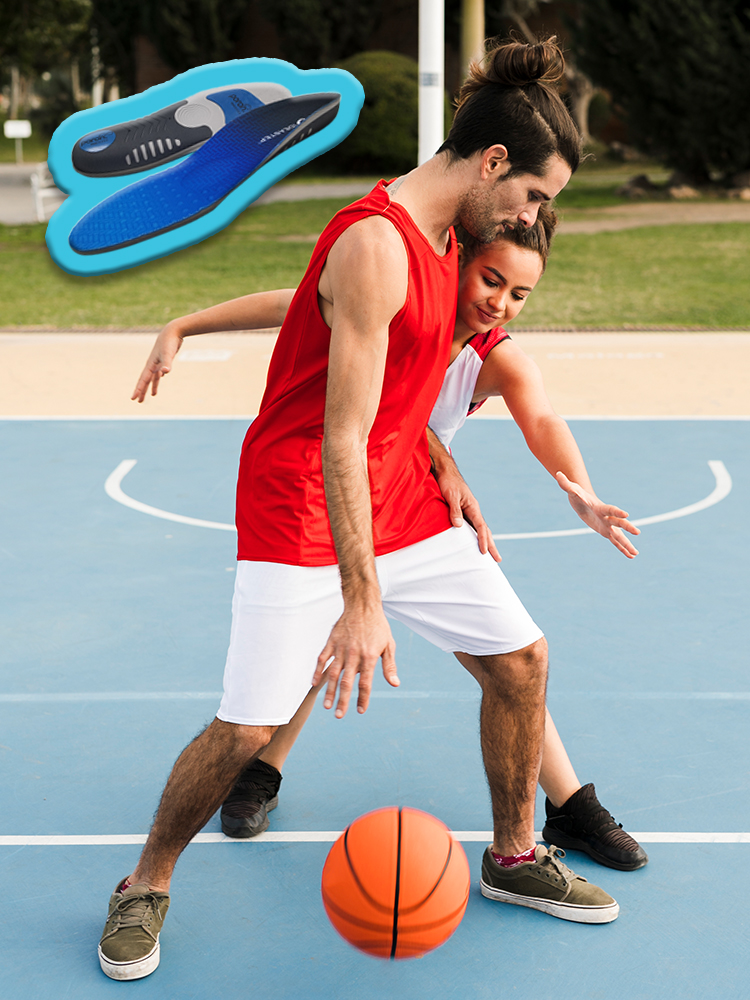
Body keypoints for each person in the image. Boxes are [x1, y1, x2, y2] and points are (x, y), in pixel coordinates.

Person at [99, 38, 618, 984]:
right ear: (494, 164)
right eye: (536, 197)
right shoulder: (376, 243)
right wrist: (362, 599)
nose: (537, 218)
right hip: (304, 498)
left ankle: (512, 855)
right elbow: (341, 437)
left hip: (403, 490)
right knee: (249, 729)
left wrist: (439, 454)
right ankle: (145, 883)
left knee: (522, 661)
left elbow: (400, 380)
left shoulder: (452, 234)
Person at [133, 204, 647, 875]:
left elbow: (542, 416)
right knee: (321, 645)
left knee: (514, 662)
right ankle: (258, 771)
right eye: (491, 280)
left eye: (520, 292)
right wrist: (184, 324)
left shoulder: (494, 358)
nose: (502, 302)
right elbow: (301, 313)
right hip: (329, 498)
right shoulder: (396, 303)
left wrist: (578, 488)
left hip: (411, 514)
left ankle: (569, 805)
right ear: (458, 263)